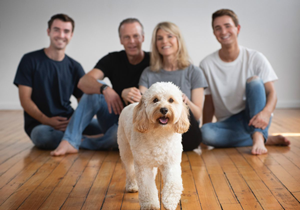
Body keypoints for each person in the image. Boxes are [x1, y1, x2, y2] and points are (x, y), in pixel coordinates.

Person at [51, 18, 150, 156]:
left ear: (143, 38)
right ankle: (70, 141)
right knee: (98, 87)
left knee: (117, 136)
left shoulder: (152, 61)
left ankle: (84, 141)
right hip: (114, 116)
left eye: (135, 36)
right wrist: (106, 89)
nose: (132, 41)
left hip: (136, 125)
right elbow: (83, 82)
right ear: (120, 39)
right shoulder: (113, 59)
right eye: (126, 37)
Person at [200, 9, 290, 155]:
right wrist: (204, 133)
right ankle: (265, 138)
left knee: (254, 81)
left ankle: (258, 136)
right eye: (218, 28)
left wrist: (266, 113)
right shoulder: (206, 64)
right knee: (205, 133)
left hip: (254, 114)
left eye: (227, 26)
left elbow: (271, 93)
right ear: (214, 33)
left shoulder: (255, 57)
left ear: (238, 28)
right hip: (229, 123)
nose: (223, 32)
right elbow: (208, 102)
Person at [13, 14, 101, 150]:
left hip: (69, 122)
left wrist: (75, 121)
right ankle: (91, 142)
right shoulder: (29, 60)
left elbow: (84, 101)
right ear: (48, 32)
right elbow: (25, 100)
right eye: (56, 30)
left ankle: (74, 140)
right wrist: (46, 120)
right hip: (41, 125)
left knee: (105, 128)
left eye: (66, 31)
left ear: (71, 35)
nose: (61, 35)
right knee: (42, 136)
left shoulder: (75, 66)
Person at [139, 22, 207, 151]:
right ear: (155, 44)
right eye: (159, 38)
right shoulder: (148, 73)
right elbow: (141, 101)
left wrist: (185, 101)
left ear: (178, 40)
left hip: (185, 135)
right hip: (154, 134)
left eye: (169, 36)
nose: (164, 41)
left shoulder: (194, 72)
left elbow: (197, 115)